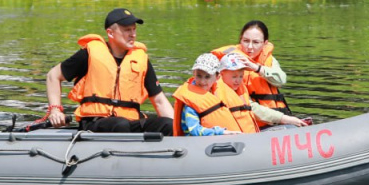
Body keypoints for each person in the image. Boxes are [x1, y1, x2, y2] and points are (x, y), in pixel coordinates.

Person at [45, 8, 174, 134]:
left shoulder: (141, 60)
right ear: (110, 33)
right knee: (120, 125)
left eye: (134, 29)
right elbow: (53, 76)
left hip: (129, 124)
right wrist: (55, 110)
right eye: (127, 30)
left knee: (168, 124)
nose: (133, 34)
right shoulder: (89, 54)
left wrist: (178, 127)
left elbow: (159, 101)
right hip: (95, 122)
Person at [212, 20, 291, 114]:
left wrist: (256, 68)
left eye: (256, 42)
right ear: (240, 39)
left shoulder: (268, 59)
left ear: (265, 43)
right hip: (252, 121)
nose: (250, 47)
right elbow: (246, 103)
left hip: (278, 119)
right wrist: (282, 119)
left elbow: (281, 81)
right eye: (246, 41)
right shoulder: (230, 61)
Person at [216, 53, 308, 130]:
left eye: (241, 76)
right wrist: (284, 118)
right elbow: (255, 110)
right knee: (290, 127)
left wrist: (286, 119)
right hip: (233, 138)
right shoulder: (216, 92)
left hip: (247, 135)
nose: (238, 80)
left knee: (290, 127)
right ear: (221, 74)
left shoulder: (240, 91)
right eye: (234, 76)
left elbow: (254, 108)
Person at [172, 54, 241, 136]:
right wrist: (220, 132)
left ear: (217, 77)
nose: (202, 81)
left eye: (207, 77)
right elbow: (194, 130)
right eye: (199, 76)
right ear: (194, 74)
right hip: (195, 143)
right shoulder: (190, 102)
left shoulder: (217, 93)